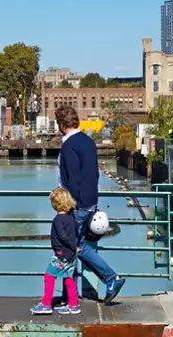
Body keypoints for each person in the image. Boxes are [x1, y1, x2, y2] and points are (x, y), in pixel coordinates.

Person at [55, 106, 126, 304]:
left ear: (61, 125)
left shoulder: (69, 146)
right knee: (79, 245)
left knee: (71, 246)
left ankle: (107, 280)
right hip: (91, 201)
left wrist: (69, 205)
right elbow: (94, 174)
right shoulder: (88, 141)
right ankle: (74, 292)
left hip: (76, 205)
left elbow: (72, 178)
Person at [30, 187, 81, 315]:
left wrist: (72, 247)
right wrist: (75, 247)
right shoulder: (71, 218)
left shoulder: (58, 220)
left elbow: (62, 236)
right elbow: (75, 233)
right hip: (71, 255)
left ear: (56, 204)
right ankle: (74, 305)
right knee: (69, 278)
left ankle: (46, 304)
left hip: (61, 254)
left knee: (49, 276)